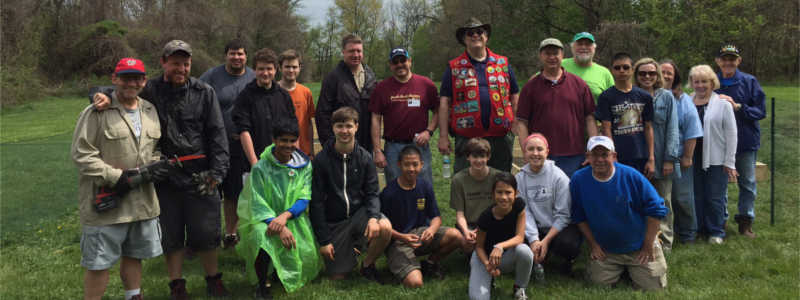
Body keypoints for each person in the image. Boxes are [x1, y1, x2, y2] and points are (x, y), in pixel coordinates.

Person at [90, 40, 231, 299]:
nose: (181, 68)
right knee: (171, 235)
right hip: (163, 177)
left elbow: (218, 135)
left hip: (201, 175)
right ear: (163, 62)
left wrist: (217, 174)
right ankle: (177, 284)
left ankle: (213, 279)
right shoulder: (149, 89)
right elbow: (120, 89)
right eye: (175, 63)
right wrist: (98, 94)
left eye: (186, 63)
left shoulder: (204, 92)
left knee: (206, 233)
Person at [72, 58, 165, 300]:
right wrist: (116, 177)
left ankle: (133, 296)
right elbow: (82, 154)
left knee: (134, 255)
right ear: (114, 79)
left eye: (137, 78)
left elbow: (152, 147)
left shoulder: (149, 110)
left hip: (141, 202)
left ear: (144, 81)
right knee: (99, 263)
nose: (131, 83)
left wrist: (155, 165)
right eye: (125, 77)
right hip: (107, 202)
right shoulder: (96, 111)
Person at [236, 120, 323, 299]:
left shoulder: (305, 165)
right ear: (274, 140)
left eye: (293, 141)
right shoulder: (260, 167)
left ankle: (278, 271)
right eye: (284, 140)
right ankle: (262, 285)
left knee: (301, 254)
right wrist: (277, 224)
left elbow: (304, 197)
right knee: (262, 236)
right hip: (264, 218)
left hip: (293, 218)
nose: (288, 145)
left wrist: (284, 218)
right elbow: (257, 200)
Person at [571, 136, 668, 290]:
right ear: (588, 157)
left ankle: (640, 262)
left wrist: (648, 245)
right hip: (607, 250)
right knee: (597, 286)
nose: (600, 159)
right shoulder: (578, 180)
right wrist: (594, 245)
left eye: (605, 155)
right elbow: (578, 216)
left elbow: (656, 209)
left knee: (654, 289)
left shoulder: (632, 176)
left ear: (614, 156)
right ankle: (623, 271)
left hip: (639, 247)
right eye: (595, 155)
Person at [309, 107, 393, 283]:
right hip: (335, 222)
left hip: (358, 214)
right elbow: (316, 203)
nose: (344, 131)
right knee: (338, 277)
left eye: (348, 126)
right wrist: (324, 240)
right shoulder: (321, 160)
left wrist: (372, 218)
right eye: (340, 126)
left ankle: (367, 265)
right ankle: (352, 248)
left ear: (356, 126)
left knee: (384, 227)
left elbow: (372, 193)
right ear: (333, 128)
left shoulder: (365, 158)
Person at [438, 17, 519, 173]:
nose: (475, 35)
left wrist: (515, 121)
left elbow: (514, 95)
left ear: (486, 36)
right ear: (464, 39)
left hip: (500, 135)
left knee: (501, 182)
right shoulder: (454, 67)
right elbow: (444, 103)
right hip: (467, 136)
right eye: (470, 33)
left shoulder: (502, 63)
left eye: (479, 31)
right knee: (466, 181)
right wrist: (443, 136)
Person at [198, 39, 256, 249]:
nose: (236, 57)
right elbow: (195, 94)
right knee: (210, 191)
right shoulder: (212, 76)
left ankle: (231, 234)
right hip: (213, 144)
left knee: (234, 192)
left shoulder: (253, 76)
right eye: (232, 53)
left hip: (240, 144)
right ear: (226, 55)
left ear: (246, 56)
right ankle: (204, 237)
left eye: (240, 53)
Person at [380, 146, 463, 288]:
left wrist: (431, 230)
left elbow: (436, 217)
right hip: (398, 241)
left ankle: (429, 264)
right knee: (416, 283)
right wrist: (402, 237)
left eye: (415, 164)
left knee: (456, 236)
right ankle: (404, 266)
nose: (411, 169)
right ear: (399, 165)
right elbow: (382, 228)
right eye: (407, 164)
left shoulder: (425, 186)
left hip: (421, 235)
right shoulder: (389, 193)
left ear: (421, 165)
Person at [514, 38, 598, 178]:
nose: (552, 57)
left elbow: (590, 118)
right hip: (541, 156)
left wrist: (593, 148)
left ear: (562, 55)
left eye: (555, 53)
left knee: (572, 197)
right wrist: (526, 152)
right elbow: (522, 122)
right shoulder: (530, 87)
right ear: (541, 56)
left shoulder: (579, 84)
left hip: (575, 155)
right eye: (547, 53)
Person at [714, 44, 766, 238]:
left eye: (732, 59)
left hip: (745, 141)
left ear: (738, 61)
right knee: (719, 184)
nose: (728, 63)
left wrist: (738, 107)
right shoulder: (712, 82)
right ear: (718, 61)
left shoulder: (749, 81)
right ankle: (721, 220)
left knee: (748, 183)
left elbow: (760, 111)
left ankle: (745, 222)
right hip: (719, 142)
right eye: (724, 59)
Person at [370, 47, 439, 184]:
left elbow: (438, 110)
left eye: (403, 60)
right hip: (393, 147)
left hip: (419, 145)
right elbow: (375, 119)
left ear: (410, 61)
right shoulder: (381, 88)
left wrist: (429, 131)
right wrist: (377, 150)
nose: (400, 64)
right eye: (395, 62)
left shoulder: (426, 85)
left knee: (423, 186)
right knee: (395, 187)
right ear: (390, 65)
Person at [515, 133, 581, 277]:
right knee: (518, 242)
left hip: (558, 228)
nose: (535, 153)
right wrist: (534, 240)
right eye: (530, 149)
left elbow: (563, 215)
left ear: (547, 152)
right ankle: (537, 257)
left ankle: (565, 260)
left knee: (569, 244)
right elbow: (524, 212)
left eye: (540, 149)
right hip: (535, 228)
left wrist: (546, 241)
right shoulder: (519, 179)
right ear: (525, 152)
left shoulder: (559, 177)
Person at [633, 57, 679, 251]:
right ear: (636, 75)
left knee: (663, 200)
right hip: (636, 157)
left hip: (661, 159)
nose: (647, 76)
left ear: (657, 75)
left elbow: (673, 128)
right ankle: (642, 240)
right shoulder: (631, 96)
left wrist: (670, 158)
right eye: (642, 73)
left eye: (651, 73)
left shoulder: (666, 97)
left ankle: (665, 242)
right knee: (639, 201)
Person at [689, 65, 738, 244]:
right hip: (692, 156)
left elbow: (732, 134)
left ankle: (716, 231)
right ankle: (700, 228)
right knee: (697, 195)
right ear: (692, 83)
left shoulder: (723, 104)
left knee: (715, 196)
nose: (700, 85)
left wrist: (730, 162)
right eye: (697, 82)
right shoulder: (687, 101)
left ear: (712, 83)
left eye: (704, 82)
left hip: (716, 157)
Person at [468, 172, 532, 300]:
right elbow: (479, 247)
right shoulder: (485, 217)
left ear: (516, 193)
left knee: (525, 251)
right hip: (484, 257)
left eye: (508, 192)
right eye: (499, 192)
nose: (504, 197)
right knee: (478, 298)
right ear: (493, 194)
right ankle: (487, 279)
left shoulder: (519, 206)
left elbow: (520, 237)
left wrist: (500, 246)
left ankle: (519, 288)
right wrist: (488, 265)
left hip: (506, 254)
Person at [232, 48, 297, 170]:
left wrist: (294, 160)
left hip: (282, 163)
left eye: (269, 69)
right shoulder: (245, 96)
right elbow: (243, 131)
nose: (265, 73)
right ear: (254, 70)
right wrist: (254, 163)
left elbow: (293, 129)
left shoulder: (284, 96)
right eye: (261, 69)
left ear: (275, 70)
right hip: (254, 164)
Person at [660, 59, 703, 244]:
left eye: (670, 72)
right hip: (656, 158)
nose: (666, 75)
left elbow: (692, 130)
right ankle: (663, 236)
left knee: (682, 199)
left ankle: (687, 234)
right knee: (662, 201)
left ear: (675, 76)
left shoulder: (683, 100)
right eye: (662, 72)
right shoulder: (650, 96)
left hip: (678, 158)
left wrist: (687, 156)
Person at [316, 34, 377, 153]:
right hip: (341, 143)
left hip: (366, 145)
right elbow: (322, 114)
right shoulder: (333, 78)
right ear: (343, 52)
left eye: (359, 51)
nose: (355, 55)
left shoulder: (371, 76)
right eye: (351, 51)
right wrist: (329, 144)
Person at [597, 52, 655, 175]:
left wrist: (651, 158)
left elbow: (648, 128)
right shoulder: (606, 97)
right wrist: (611, 155)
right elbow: (606, 128)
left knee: (638, 192)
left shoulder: (644, 96)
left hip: (641, 155)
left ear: (632, 70)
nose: (622, 71)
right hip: (619, 155)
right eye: (617, 68)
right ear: (612, 70)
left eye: (626, 67)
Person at [450, 138, 502, 253]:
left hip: (492, 223)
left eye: (482, 156)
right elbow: (460, 214)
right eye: (474, 157)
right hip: (470, 225)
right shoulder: (458, 180)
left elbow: (501, 209)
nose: (479, 160)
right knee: (467, 244)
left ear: (488, 157)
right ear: (468, 157)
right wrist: (466, 231)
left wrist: (484, 229)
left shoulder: (498, 177)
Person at [278, 49, 316, 157]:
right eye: (287, 67)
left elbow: (309, 124)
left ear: (300, 68)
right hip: (279, 152)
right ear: (280, 68)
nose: (291, 70)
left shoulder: (306, 92)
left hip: (302, 152)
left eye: (294, 67)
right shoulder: (273, 92)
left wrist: (311, 151)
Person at [562, 32, 615, 101]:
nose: (583, 47)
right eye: (580, 44)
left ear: (594, 48)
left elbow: (613, 100)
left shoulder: (604, 73)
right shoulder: (560, 65)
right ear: (572, 47)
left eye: (588, 44)